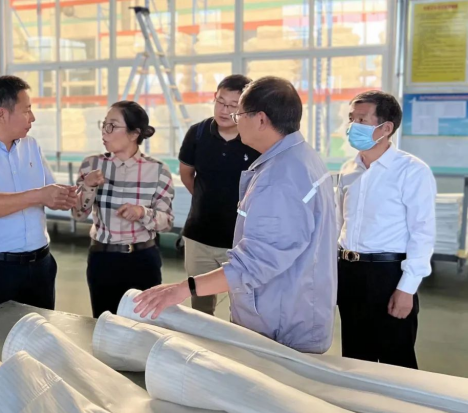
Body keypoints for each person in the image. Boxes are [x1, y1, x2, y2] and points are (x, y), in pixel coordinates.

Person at [134, 77, 338, 354]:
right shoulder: (300, 158)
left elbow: (256, 263)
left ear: (261, 119)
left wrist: (184, 288)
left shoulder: (279, 180)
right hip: (294, 307)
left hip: (279, 327)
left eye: (239, 113)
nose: (234, 119)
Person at [0, 75, 78, 317]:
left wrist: (77, 191)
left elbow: (51, 194)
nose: (33, 117)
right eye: (27, 110)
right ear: (2, 114)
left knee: (40, 336)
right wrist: (38, 195)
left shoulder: (31, 146)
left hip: (41, 267)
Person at [336, 91, 437, 369]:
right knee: (355, 359)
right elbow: (339, 223)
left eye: (361, 120)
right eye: (351, 119)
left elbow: (422, 233)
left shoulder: (411, 171)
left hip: (388, 274)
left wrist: (407, 288)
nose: (352, 126)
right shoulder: (348, 169)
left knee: (396, 361)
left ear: (386, 128)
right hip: (350, 272)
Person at [72, 101, 175, 319]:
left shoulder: (158, 170)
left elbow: (167, 222)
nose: (104, 131)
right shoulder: (91, 165)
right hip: (102, 259)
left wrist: (142, 213)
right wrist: (88, 186)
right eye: (104, 124)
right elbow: (78, 214)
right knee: (104, 322)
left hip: (142, 260)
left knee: (144, 326)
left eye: (112, 125)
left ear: (134, 134)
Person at [179, 75, 261, 315]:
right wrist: (209, 199)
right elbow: (187, 175)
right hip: (199, 237)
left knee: (244, 306)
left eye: (233, 105)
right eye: (220, 102)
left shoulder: (254, 139)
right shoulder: (197, 133)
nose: (224, 111)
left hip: (240, 240)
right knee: (200, 307)